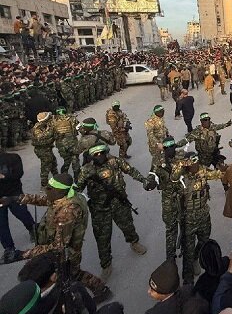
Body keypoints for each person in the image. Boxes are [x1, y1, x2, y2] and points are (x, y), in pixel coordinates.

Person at [3, 173, 111, 302]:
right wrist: (16, 198)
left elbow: (58, 246)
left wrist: (23, 254)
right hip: (59, 247)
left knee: (70, 274)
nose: (46, 190)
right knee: (71, 274)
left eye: (49, 188)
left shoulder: (68, 211)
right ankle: (99, 290)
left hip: (66, 252)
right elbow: (43, 200)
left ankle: (97, 291)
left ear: (59, 191)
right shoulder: (62, 197)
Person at [76, 144, 149, 280]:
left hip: (119, 203)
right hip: (100, 209)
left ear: (106, 152)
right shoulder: (86, 170)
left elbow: (131, 171)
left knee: (127, 225)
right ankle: (106, 264)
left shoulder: (115, 161)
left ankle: (134, 242)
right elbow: (77, 189)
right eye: (95, 154)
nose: (99, 156)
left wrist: (144, 180)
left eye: (101, 153)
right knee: (102, 237)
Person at [170, 153, 225, 284]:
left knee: (204, 240)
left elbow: (217, 174)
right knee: (187, 249)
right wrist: (181, 163)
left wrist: (224, 167)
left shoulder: (202, 170)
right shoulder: (181, 177)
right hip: (188, 217)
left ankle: (196, 257)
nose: (195, 166)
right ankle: (187, 280)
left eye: (196, 163)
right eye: (192, 164)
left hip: (203, 214)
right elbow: (173, 178)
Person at [0, 144, 35, 264]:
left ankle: (32, 229)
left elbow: (19, 174)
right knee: (1, 224)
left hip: (14, 194)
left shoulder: (13, 157)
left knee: (22, 214)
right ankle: (9, 249)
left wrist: (3, 176)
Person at [31, 112, 58, 188]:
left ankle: (57, 178)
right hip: (42, 150)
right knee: (46, 166)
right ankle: (44, 184)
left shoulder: (44, 125)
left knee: (53, 163)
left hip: (46, 148)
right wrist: (51, 130)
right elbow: (41, 137)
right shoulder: (38, 128)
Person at [53, 106, 81, 177]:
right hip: (72, 142)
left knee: (67, 160)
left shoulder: (53, 121)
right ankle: (77, 178)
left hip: (60, 144)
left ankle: (63, 176)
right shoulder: (72, 118)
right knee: (75, 159)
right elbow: (79, 128)